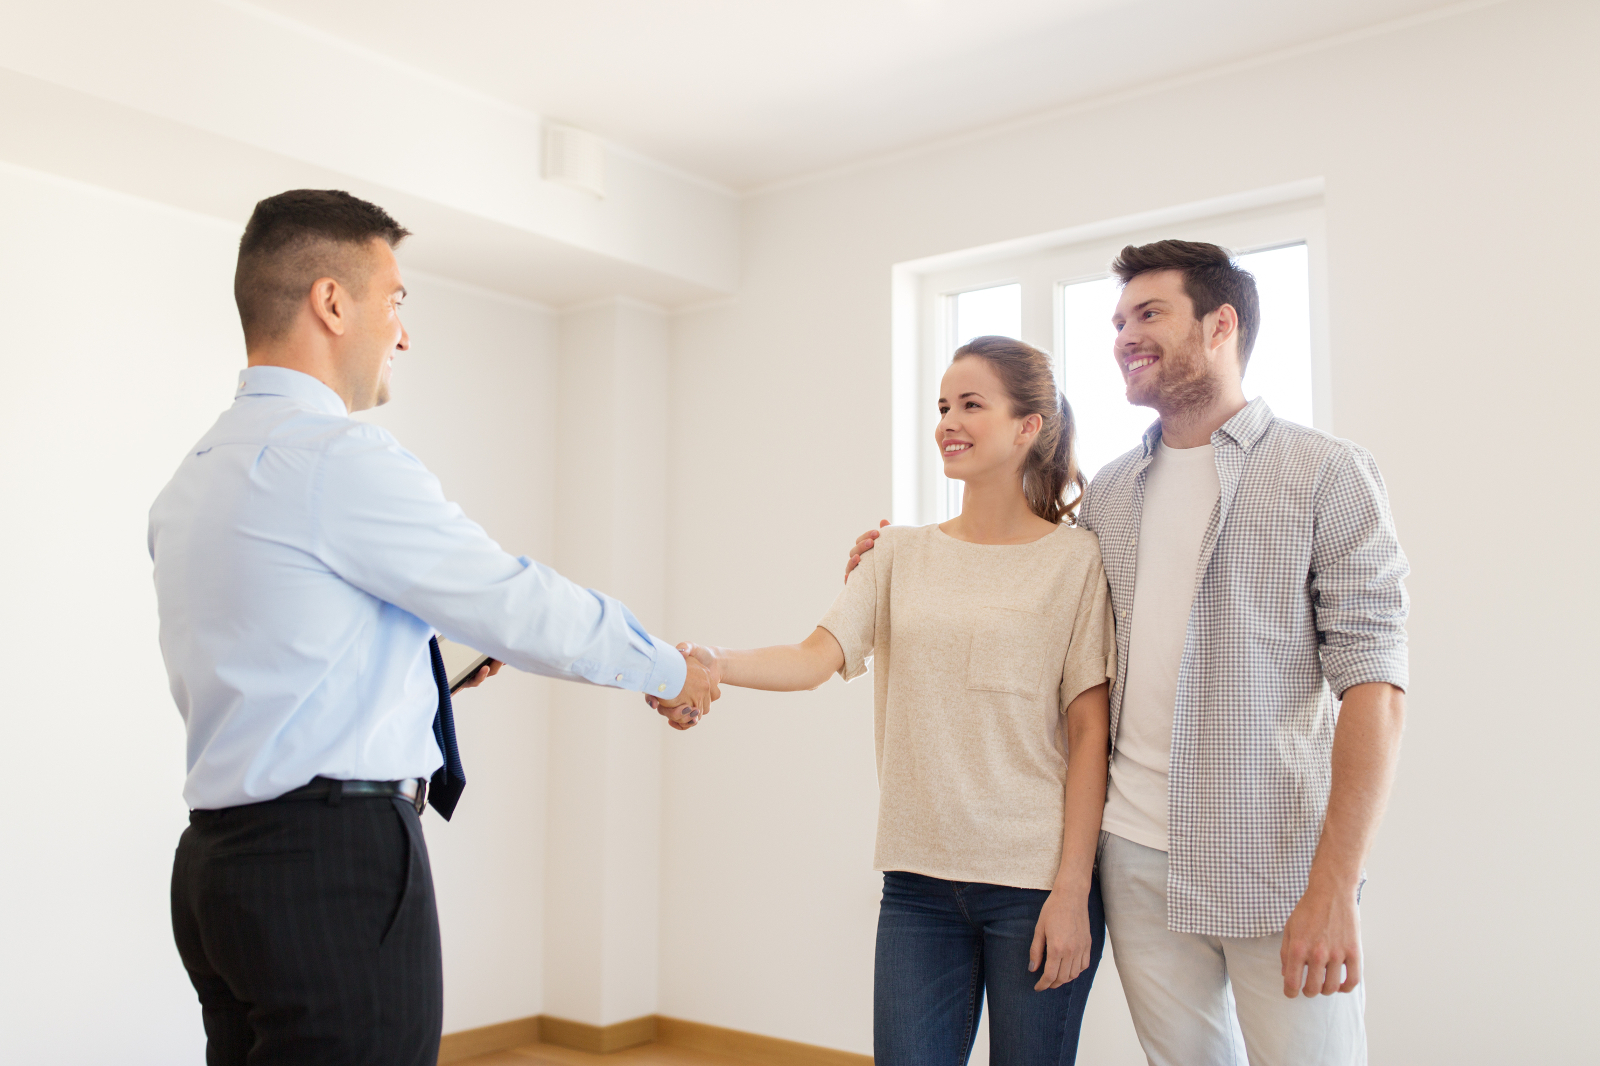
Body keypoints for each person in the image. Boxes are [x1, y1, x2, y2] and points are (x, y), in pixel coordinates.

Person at [149, 188, 715, 1066]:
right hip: (332, 867)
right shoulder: (334, 456)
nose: (404, 333)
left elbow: (276, 663)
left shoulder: (196, 477)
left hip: (218, 869)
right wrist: (666, 670)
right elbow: (516, 601)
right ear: (332, 303)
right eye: (396, 300)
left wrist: (425, 674)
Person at [850, 240, 1409, 1065]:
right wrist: (897, 559)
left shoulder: (1326, 474)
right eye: (1117, 320)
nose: (1123, 336)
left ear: (1221, 326)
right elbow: (1022, 589)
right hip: (1138, 861)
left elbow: (1377, 689)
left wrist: (1337, 880)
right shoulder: (1111, 493)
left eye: (1150, 314)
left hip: (1278, 864)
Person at [664, 337, 1115, 1065]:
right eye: (942, 406)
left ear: (1028, 425)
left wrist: (1073, 890)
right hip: (917, 886)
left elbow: (1090, 732)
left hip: (1032, 886)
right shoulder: (896, 553)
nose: (949, 421)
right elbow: (813, 658)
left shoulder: (1075, 559)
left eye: (972, 404)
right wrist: (714, 662)